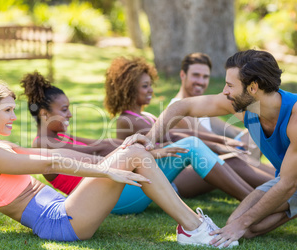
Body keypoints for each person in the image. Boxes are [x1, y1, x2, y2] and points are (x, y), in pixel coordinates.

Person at [0, 80, 239, 247]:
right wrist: (106, 169)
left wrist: (114, 160)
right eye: (7, 111)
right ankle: (194, 228)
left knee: (134, 150)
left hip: (65, 212)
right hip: (60, 222)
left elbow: (57, 157)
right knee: (132, 154)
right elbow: (49, 164)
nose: (13, 117)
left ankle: (192, 226)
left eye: (13, 110)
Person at [121, 49, 297, 248]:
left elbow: (288, 184)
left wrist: (240, 224)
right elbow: (183, 106)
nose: (225, 91)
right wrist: (149, 139)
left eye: (229, 85)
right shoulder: (246, 107)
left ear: (253, 87)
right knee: (243, 227)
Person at [21, 71, 196, 214]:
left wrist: (143, 148)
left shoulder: (58, 138)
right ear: (44, 114)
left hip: (115, 192)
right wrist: (149, 151)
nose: (70, 115)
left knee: (191, 146)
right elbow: (98, 149)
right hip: (112, 200)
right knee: (192, 147)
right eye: (64, 110)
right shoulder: (44, 144)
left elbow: (104, 142)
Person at [104, 56, 272, 199]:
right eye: (145, 86)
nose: (151, 91)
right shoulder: (127, 120)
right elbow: (175, 137)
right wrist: (218, 145)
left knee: (236, 156)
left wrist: (222, 141)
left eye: (150, 85)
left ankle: (278, 184)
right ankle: (271, 195)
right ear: (130, 89)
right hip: (169, 178)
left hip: (177, 168)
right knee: (232, 160)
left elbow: (183, 134)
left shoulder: (147, 116)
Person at [170, 52, 273, 168]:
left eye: (205, 77)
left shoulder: (201, 108)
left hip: (220, 156)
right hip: (208, 163)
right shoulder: (179, 110)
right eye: (196, 75)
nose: (200, 81)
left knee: (261, 127)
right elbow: (214, 140)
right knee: (260, 131)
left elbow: (231, 131)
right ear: (183, 75)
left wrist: (254, 126)